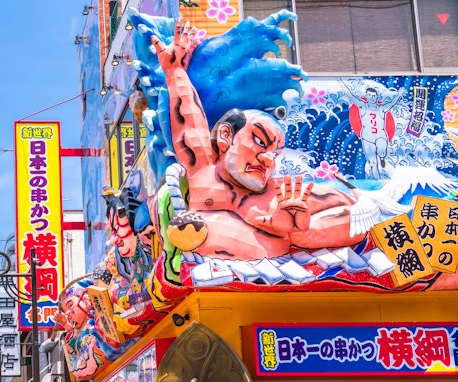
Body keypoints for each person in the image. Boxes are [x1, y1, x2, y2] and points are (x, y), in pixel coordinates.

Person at [152, 19, 363, 260]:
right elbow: (188, 118)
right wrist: (175, 71)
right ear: (225, 135)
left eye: (276, 153)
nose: (268, 159)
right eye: (260, 142)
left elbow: (358, 214)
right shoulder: (202, 170)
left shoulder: (282, 194)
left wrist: (304, 231)